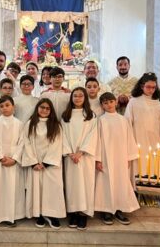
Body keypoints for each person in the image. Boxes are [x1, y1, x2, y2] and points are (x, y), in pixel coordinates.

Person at [95, 92, 140, 226]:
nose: (108, 105)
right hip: (106, 157)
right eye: (105, 103)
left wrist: (129, 157)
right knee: (106, 183)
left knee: (120, 182)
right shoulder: (100, 120)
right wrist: (98, 159)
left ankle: (120, 209)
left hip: (121, 157)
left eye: (110, 102)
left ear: (115, 102)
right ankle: (107, 211)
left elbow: (129, 139)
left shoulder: (123, 120)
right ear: (102, 106)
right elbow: (97, 140)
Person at [22, 98, 66, 229]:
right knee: (37, 189)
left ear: (51, 111)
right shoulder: (30, 124)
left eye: (47, 108)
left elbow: (57, 144)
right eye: (42, 107)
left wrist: (45, 163)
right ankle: (39, 214)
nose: (44, 110)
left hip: (51, 165)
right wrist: (34, 162)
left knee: (52, 190)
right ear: (37, 109)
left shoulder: (56, 125)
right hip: (35, 163)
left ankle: (53, 215)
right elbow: (26, 143)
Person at [61, 87, 99, 230]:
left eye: (80, 96)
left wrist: (80, 152)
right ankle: (73, 213)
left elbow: (93, 134)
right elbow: (62, 135)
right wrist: (70, 153)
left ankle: (83, 214)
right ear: (71, 98)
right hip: (70, 157)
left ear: (85, 98)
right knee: (72, 186)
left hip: (85, 156)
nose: (77, 98)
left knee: (85, 184)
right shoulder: (65, 115)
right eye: (75, 96)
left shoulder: (90, 115)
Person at [0, 95, 25, 226]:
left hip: (13, 163)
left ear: (13, 106)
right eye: (1, 106)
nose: (4, 108)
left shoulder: (19, 124)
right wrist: (0, 157)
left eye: (7, 105)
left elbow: (22, 143)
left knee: (12, 190)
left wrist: (14, 159)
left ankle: (11, 216)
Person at [125, 73, 160, 183]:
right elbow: (127, 123)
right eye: (148, 87)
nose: (151, 90)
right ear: (142, 86)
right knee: (140, 166)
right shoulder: (133, 102)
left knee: (155, 166)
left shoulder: (157, 104)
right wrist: (128, 143)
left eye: (153, 87)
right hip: (138, 139)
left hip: (155, 140)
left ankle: (155, 192)